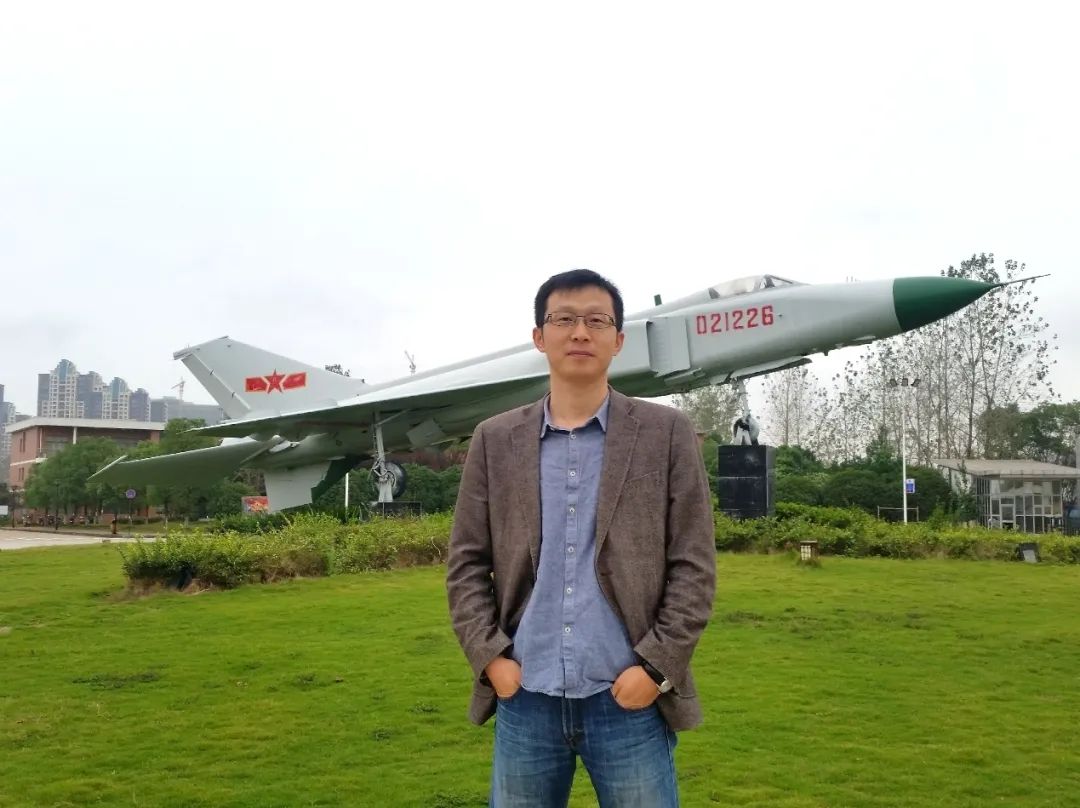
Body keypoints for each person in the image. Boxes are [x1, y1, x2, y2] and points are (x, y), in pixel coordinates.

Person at [447, 269, 717, 807]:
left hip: (629, 698)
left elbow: (694, 563)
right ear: (538, 336)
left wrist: (656, 668)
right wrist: (492, 659)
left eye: (597, 321)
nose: (579, 332)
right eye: (564, 319)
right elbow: (466, 564)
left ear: (618, 340)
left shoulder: (666, 433)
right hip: (525, 696)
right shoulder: (494, 440)